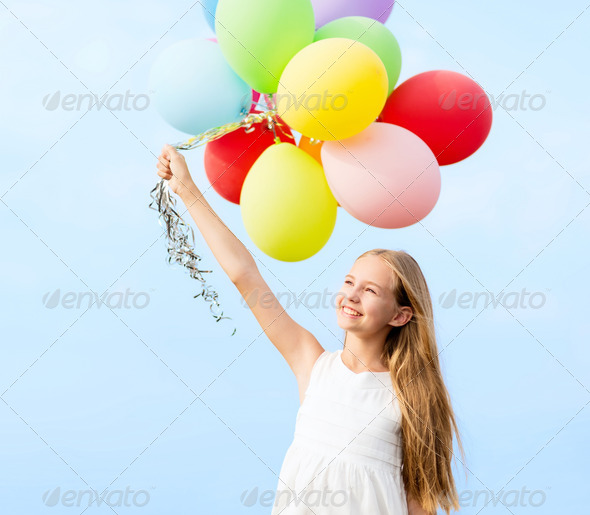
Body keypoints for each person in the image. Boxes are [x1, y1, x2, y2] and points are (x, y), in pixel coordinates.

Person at [156, 144, 466, 514]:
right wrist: (188, 190)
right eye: (350, 282)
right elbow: (244, 276)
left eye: (370, 290)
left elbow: (419, 503)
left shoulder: (410, 396)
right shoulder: (313, 364)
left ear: (400, 316)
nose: (351, 296)